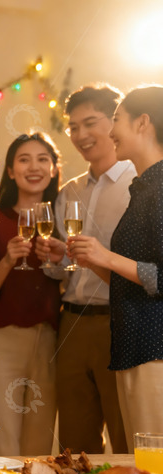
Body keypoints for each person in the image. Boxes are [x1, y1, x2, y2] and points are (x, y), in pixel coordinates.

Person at [35, 84, 133, 454]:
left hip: (120, 320)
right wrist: (58, 257)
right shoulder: (69, 191)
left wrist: (100, 256)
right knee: (75, 441)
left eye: (90, 123)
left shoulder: (136, 184)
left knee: (126, 436)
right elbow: (64, 272)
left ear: (115, 122)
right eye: (73, 127)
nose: (80, 135)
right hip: (71, 323)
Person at [69, 85, 163, 450]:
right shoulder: (144, 187)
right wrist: (95, 261)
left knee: (155, 468)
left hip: (154, 347)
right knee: (141, 463)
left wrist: (106, 256)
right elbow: (134, 280)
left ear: (143, 123)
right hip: (132, 347)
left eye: (117, 121)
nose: (110, 132)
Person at [0, 132, 61, 456]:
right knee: (2, 441)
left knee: (42, 443)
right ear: (10, 171)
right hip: (1, 342)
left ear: (53, 168)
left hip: (49, 341)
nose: (34, 167)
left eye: (43, 159)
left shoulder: (62, 221)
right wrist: (9, 259)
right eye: (24, 159)